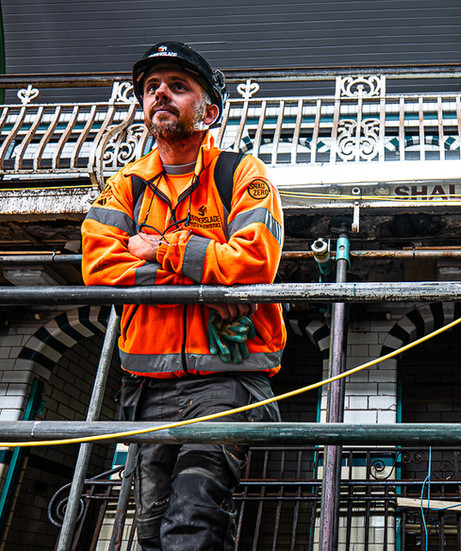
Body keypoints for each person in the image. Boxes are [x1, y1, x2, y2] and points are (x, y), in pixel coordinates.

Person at [81, 41, 285, 550]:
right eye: (152, 88)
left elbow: (253, 262)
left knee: (193, 520)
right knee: (149, 530)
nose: (161, 95)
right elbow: (100, 269)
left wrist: (159, 248)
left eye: (178, 86)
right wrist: (203, 286)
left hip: (226, 381)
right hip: (146, 388)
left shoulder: (242, 174)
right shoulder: (124, 187)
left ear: (209, 110)